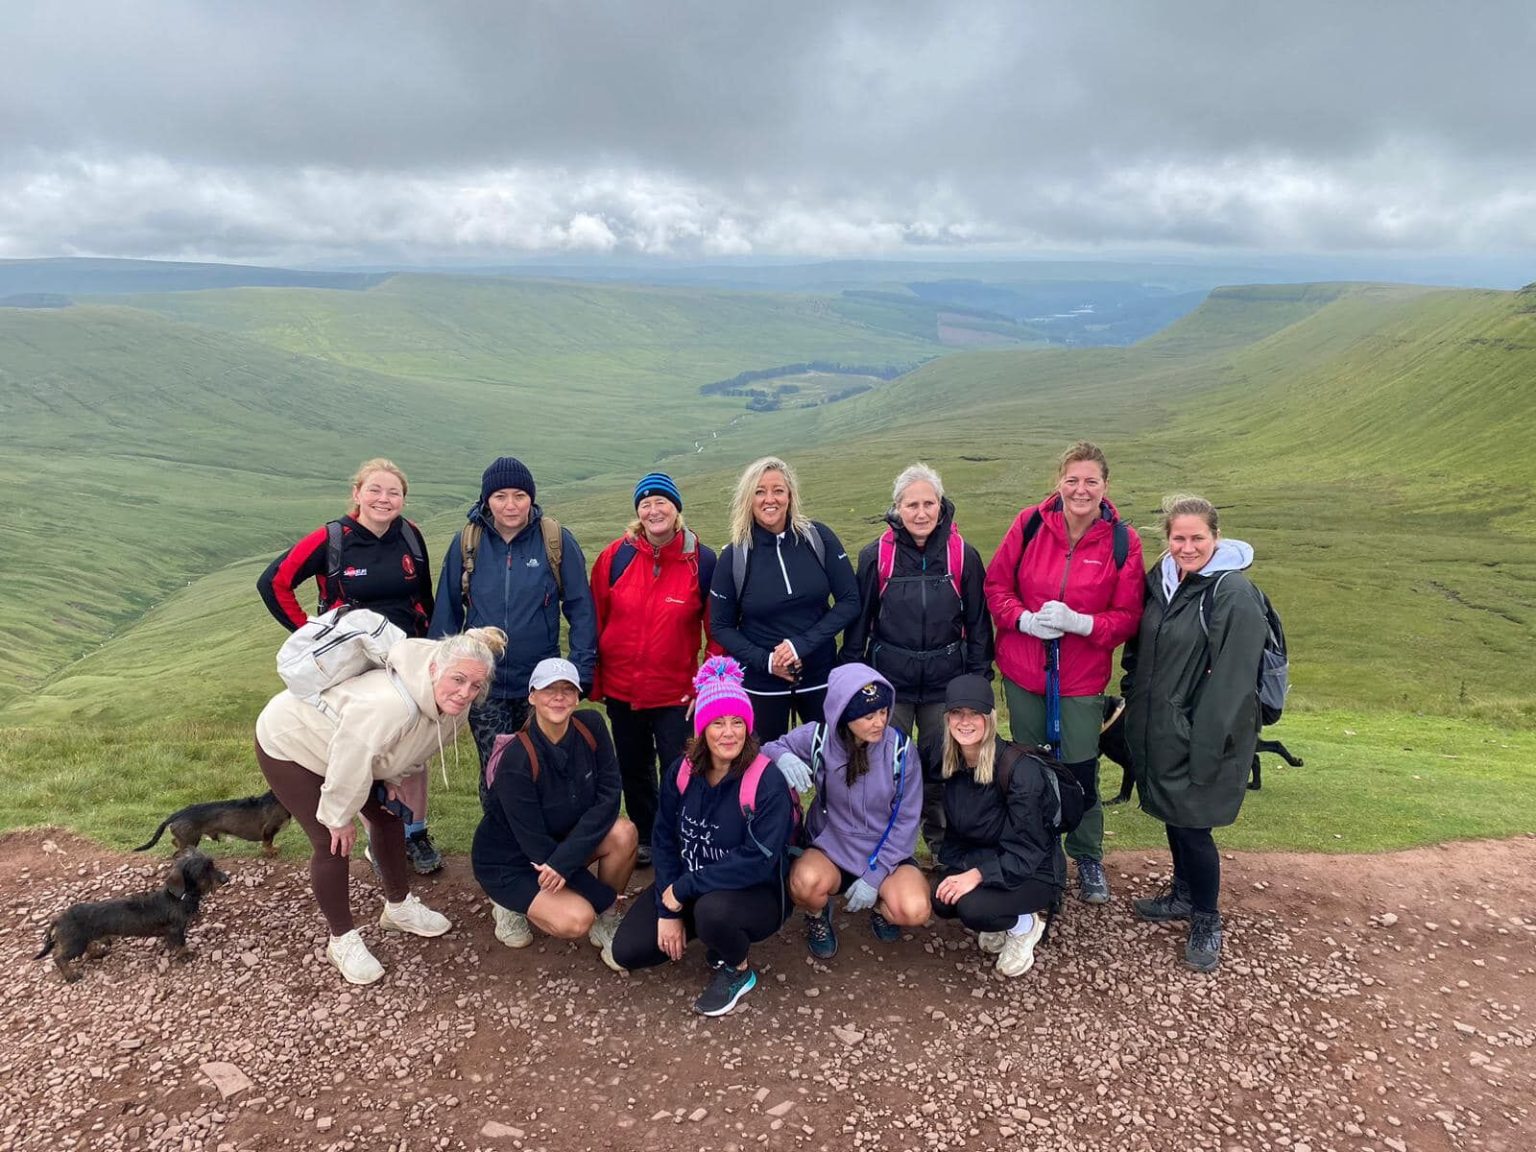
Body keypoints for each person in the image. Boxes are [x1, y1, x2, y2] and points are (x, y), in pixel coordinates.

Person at [254, 626, 507, 985]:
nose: (465, 693)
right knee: (331, 840)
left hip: (346, 746)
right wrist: (339, 816)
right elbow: (350, 755)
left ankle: (398, 907)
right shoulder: (390, 704)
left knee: (389, 819)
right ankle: (341, 940)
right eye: (458, 679)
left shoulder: (455, 711)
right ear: (435, 669)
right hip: (291, 744)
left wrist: (389, 781)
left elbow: (413, 749)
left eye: (475, 686)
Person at [257, 458, 444, 874]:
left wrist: (428, 649)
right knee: (365, 745)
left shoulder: (410, 536)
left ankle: (415, 834)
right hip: (353, 664)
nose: (384, 499)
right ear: (357, 493)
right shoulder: (333, 538)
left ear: (403, 498)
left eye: (393, 492)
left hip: (404, 656)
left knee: (412, 748)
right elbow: (274, 583)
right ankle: (381, 841)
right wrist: (309, 632)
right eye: (374, 490)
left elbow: (423, 597)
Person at [983, 441, 1144, 905]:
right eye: (1072, 479)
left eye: (1091, 481)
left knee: (1080, 767)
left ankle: (1088, 854)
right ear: (1059, 481)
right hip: (1024, 670)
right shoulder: (1030, 523)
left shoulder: (1121, 541)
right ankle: (1035, 852)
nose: (1081, 489)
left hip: (1081, 677)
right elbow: (997, 586)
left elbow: (1128, 615)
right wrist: (1023, 619)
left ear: (1105, 486)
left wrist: (1084, 624)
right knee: (1027, 765)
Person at [1121, 495, 1267, 972]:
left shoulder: (1232, 593)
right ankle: (1182, 894)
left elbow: (1233, 683)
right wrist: (1133, 695)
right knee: (1174, 815)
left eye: (1197, 538)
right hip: (1161, 726)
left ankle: (1207, 917)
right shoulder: (1162, 584)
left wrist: (1203, 741)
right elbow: (1140, 650)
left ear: (1216, 538)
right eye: (1178, 538)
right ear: (1167, 539)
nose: (1187, 547)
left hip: (1202, 733)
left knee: (1194, 824)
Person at [611, 657, 795, 1016]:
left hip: (753, 893)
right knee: (628, 951)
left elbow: (757, 862)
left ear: (748, 726)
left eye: (737, 722)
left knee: (714, 912)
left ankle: (737, 968)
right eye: (718, 723)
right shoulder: (682, 772)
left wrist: (682, 891)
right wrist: (667, 908)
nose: (729, 733)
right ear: (701, 730)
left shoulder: (766, 780)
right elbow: (664, 838)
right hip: (692, 884)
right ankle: (711, 931)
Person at [841, 462, 992, 862]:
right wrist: (853, 679)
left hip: (947, 686)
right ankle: (883, 854)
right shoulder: (876, 557)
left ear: (941, 506)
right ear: (897, 508)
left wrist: (978, 682)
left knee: (946, 769)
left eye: (929, 503)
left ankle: (946, 852)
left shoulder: (963, 556)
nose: (921, 513)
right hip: (890, 685)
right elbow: (859, 623)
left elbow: (978, 624)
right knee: (881, 768)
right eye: (912, 505)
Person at [429, 456, 597, 801]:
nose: (510, 505)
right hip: (483, 684)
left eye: (519, 495)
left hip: (540, 681)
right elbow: (446, 611)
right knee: (496, 769)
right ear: (486, 499)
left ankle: (543, 848)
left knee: (544, 765)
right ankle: (499, 848)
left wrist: (581, 668)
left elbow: (581, 607)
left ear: (531, 498)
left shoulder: (555, 540)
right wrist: (438, 674)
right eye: (500, 496)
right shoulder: (468, 542)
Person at [472, 658, 638, 971]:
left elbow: (608, 798)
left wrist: (563, 862)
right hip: (512, 860)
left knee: (624, 832)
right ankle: (508, 903)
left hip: (559, 845)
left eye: (567, 690)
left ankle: (607, 923)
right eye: (549, 689)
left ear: (577, 697)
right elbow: (536, 848)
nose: (558, 697)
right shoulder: (516, 758)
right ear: (532, 696)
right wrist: (601, 896)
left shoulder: (592, 725)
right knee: (577, 919)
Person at [590, 472, 720, 867]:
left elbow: (716, 632)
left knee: (680, 769)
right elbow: (595, 618)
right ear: (637, 512)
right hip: (621, 687)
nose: (653, 509)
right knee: (632, 765)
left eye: (661, 501)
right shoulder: (616, 557)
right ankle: (645, 836)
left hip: (677, 693)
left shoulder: (703, 560)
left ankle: (681, 837)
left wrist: (707, 688)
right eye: (645, 503)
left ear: (676, 508)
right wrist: (595, 681)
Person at [764, 664, 930, 958]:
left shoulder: (901, 751)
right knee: (804, 883)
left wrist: (874, 876)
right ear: (844, 714)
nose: (880, 721)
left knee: (914, 910)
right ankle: (817, 915)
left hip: (885, 852)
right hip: (831, 847)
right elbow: (768, 748)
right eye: (869, 716)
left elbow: (906, 820)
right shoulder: (818, 738)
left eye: (883, 712)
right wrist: (784, 756)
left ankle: (880, 906)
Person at [922, 674, 1064, 978]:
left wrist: (975, 875)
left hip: (1033, 868)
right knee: (943, 901)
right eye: (957, 713)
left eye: (975, 713)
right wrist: (958, 871)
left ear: (990, 717)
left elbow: (1028, 850)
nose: (966, 722)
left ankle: (1025, 925)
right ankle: (1000, 914)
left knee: (975, 909)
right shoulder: (949, 759)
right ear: (947, 718)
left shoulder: (1020, 771)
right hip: (983, 855)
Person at [709, 456, 860, 742]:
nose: (770, 499)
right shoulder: (734, 556)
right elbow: (721, 626)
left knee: (835, 765)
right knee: (764, 769)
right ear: (747, 499)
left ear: (790, 495)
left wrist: (799, 645)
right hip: (762, 684)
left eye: (778, 490)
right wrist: (768, 662)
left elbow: (850, 600)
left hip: (820, 676)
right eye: (760, 491)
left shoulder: (818, 538)